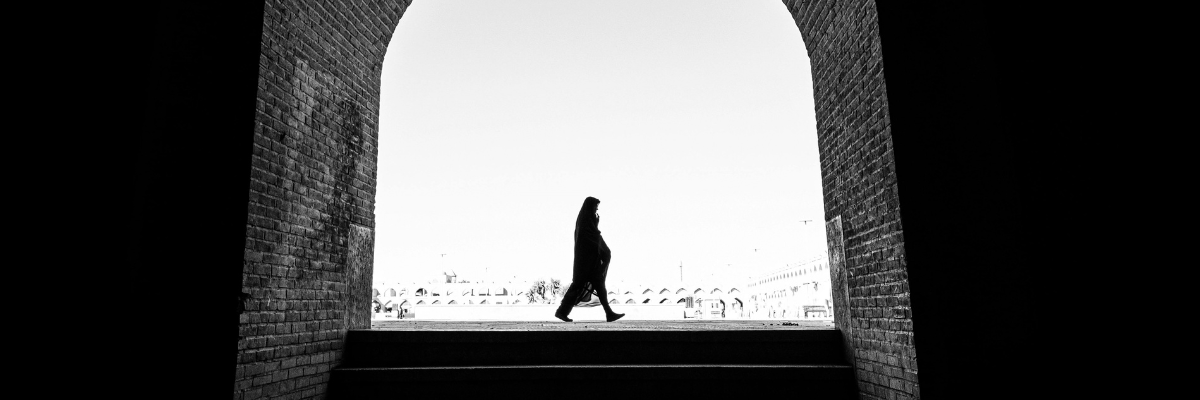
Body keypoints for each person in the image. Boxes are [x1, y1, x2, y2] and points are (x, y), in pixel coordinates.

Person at [555, 196, 624, 322]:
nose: (596, 209)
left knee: (596, 286)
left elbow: (595, 239)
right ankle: (561, 311)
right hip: (586, 263)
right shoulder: (586, 224)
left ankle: (608, 313)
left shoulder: (588, 223)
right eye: (595, 206)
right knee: (578, 286)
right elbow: (590, 241)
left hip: (590, 262)